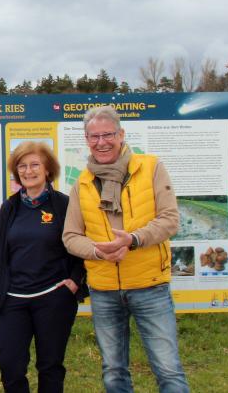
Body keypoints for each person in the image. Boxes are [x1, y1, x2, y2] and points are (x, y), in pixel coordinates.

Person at [62, 106, 187, 393]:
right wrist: (99, 251)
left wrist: (132, 240)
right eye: (94, 137)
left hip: (150, 286)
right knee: (113, 372)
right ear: (86, 140)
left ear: (121, 134)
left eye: (108, 134)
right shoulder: (82, 183)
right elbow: (71, 236)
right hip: (104, 290)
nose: (101, 142)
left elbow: (170, 220)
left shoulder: (151, 167)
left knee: (168, 370)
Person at [0, 142, 86, 393]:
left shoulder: (63, 205)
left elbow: (81, 244)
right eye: (22, 166)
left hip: (54, 298)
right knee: (10, 364)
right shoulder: (10, 207)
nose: (28, 171)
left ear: (48, 169)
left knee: (50, 366)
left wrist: (75, 280)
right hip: (13, 299)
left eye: (35, 165)